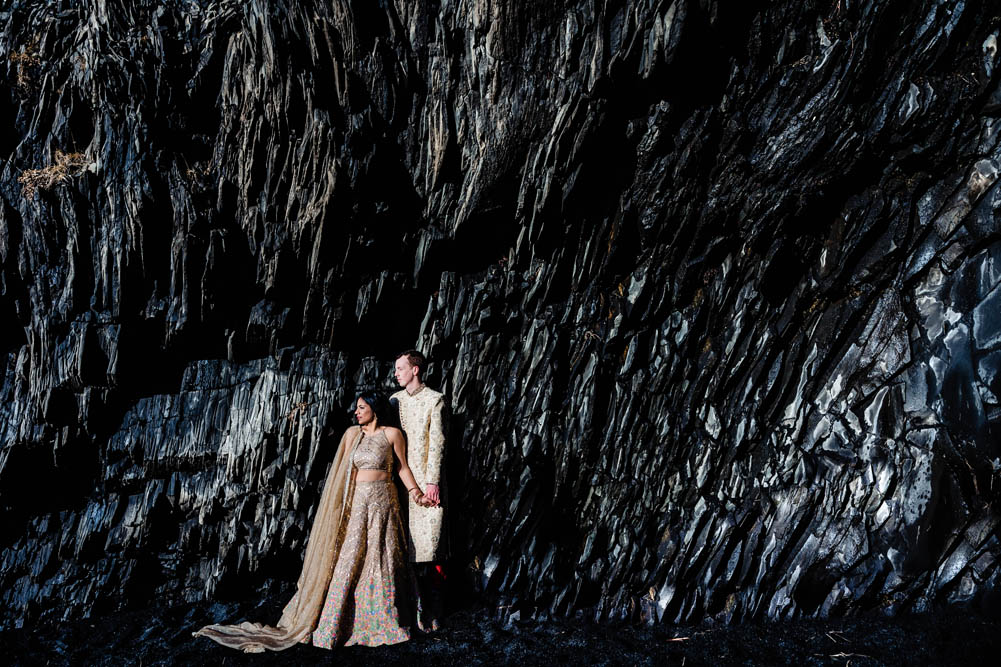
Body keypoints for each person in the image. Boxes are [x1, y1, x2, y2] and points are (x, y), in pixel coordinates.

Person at [193, 392, 429, 652]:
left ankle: (385, 620)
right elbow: (341, 474)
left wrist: (416, 493)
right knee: (350, 560)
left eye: (362, 407)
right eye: (357, 407)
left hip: (384, 501)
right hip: (358, 505)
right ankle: (337, 623)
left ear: (374, 408)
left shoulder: (392, 434)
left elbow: (402, 468)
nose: (357, 412)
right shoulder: (352, 435)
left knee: (381, 557)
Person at [391, 349, 448, 631]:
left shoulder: (434, 399)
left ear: (415, 370)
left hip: (426, 481)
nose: (396, 373)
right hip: (400, 481)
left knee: (429, 549)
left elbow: (437, 441)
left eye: (400, 368)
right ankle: (405, 612)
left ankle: (432, 612)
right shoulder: (395, 401)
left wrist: (433, 481)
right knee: (401, 548)